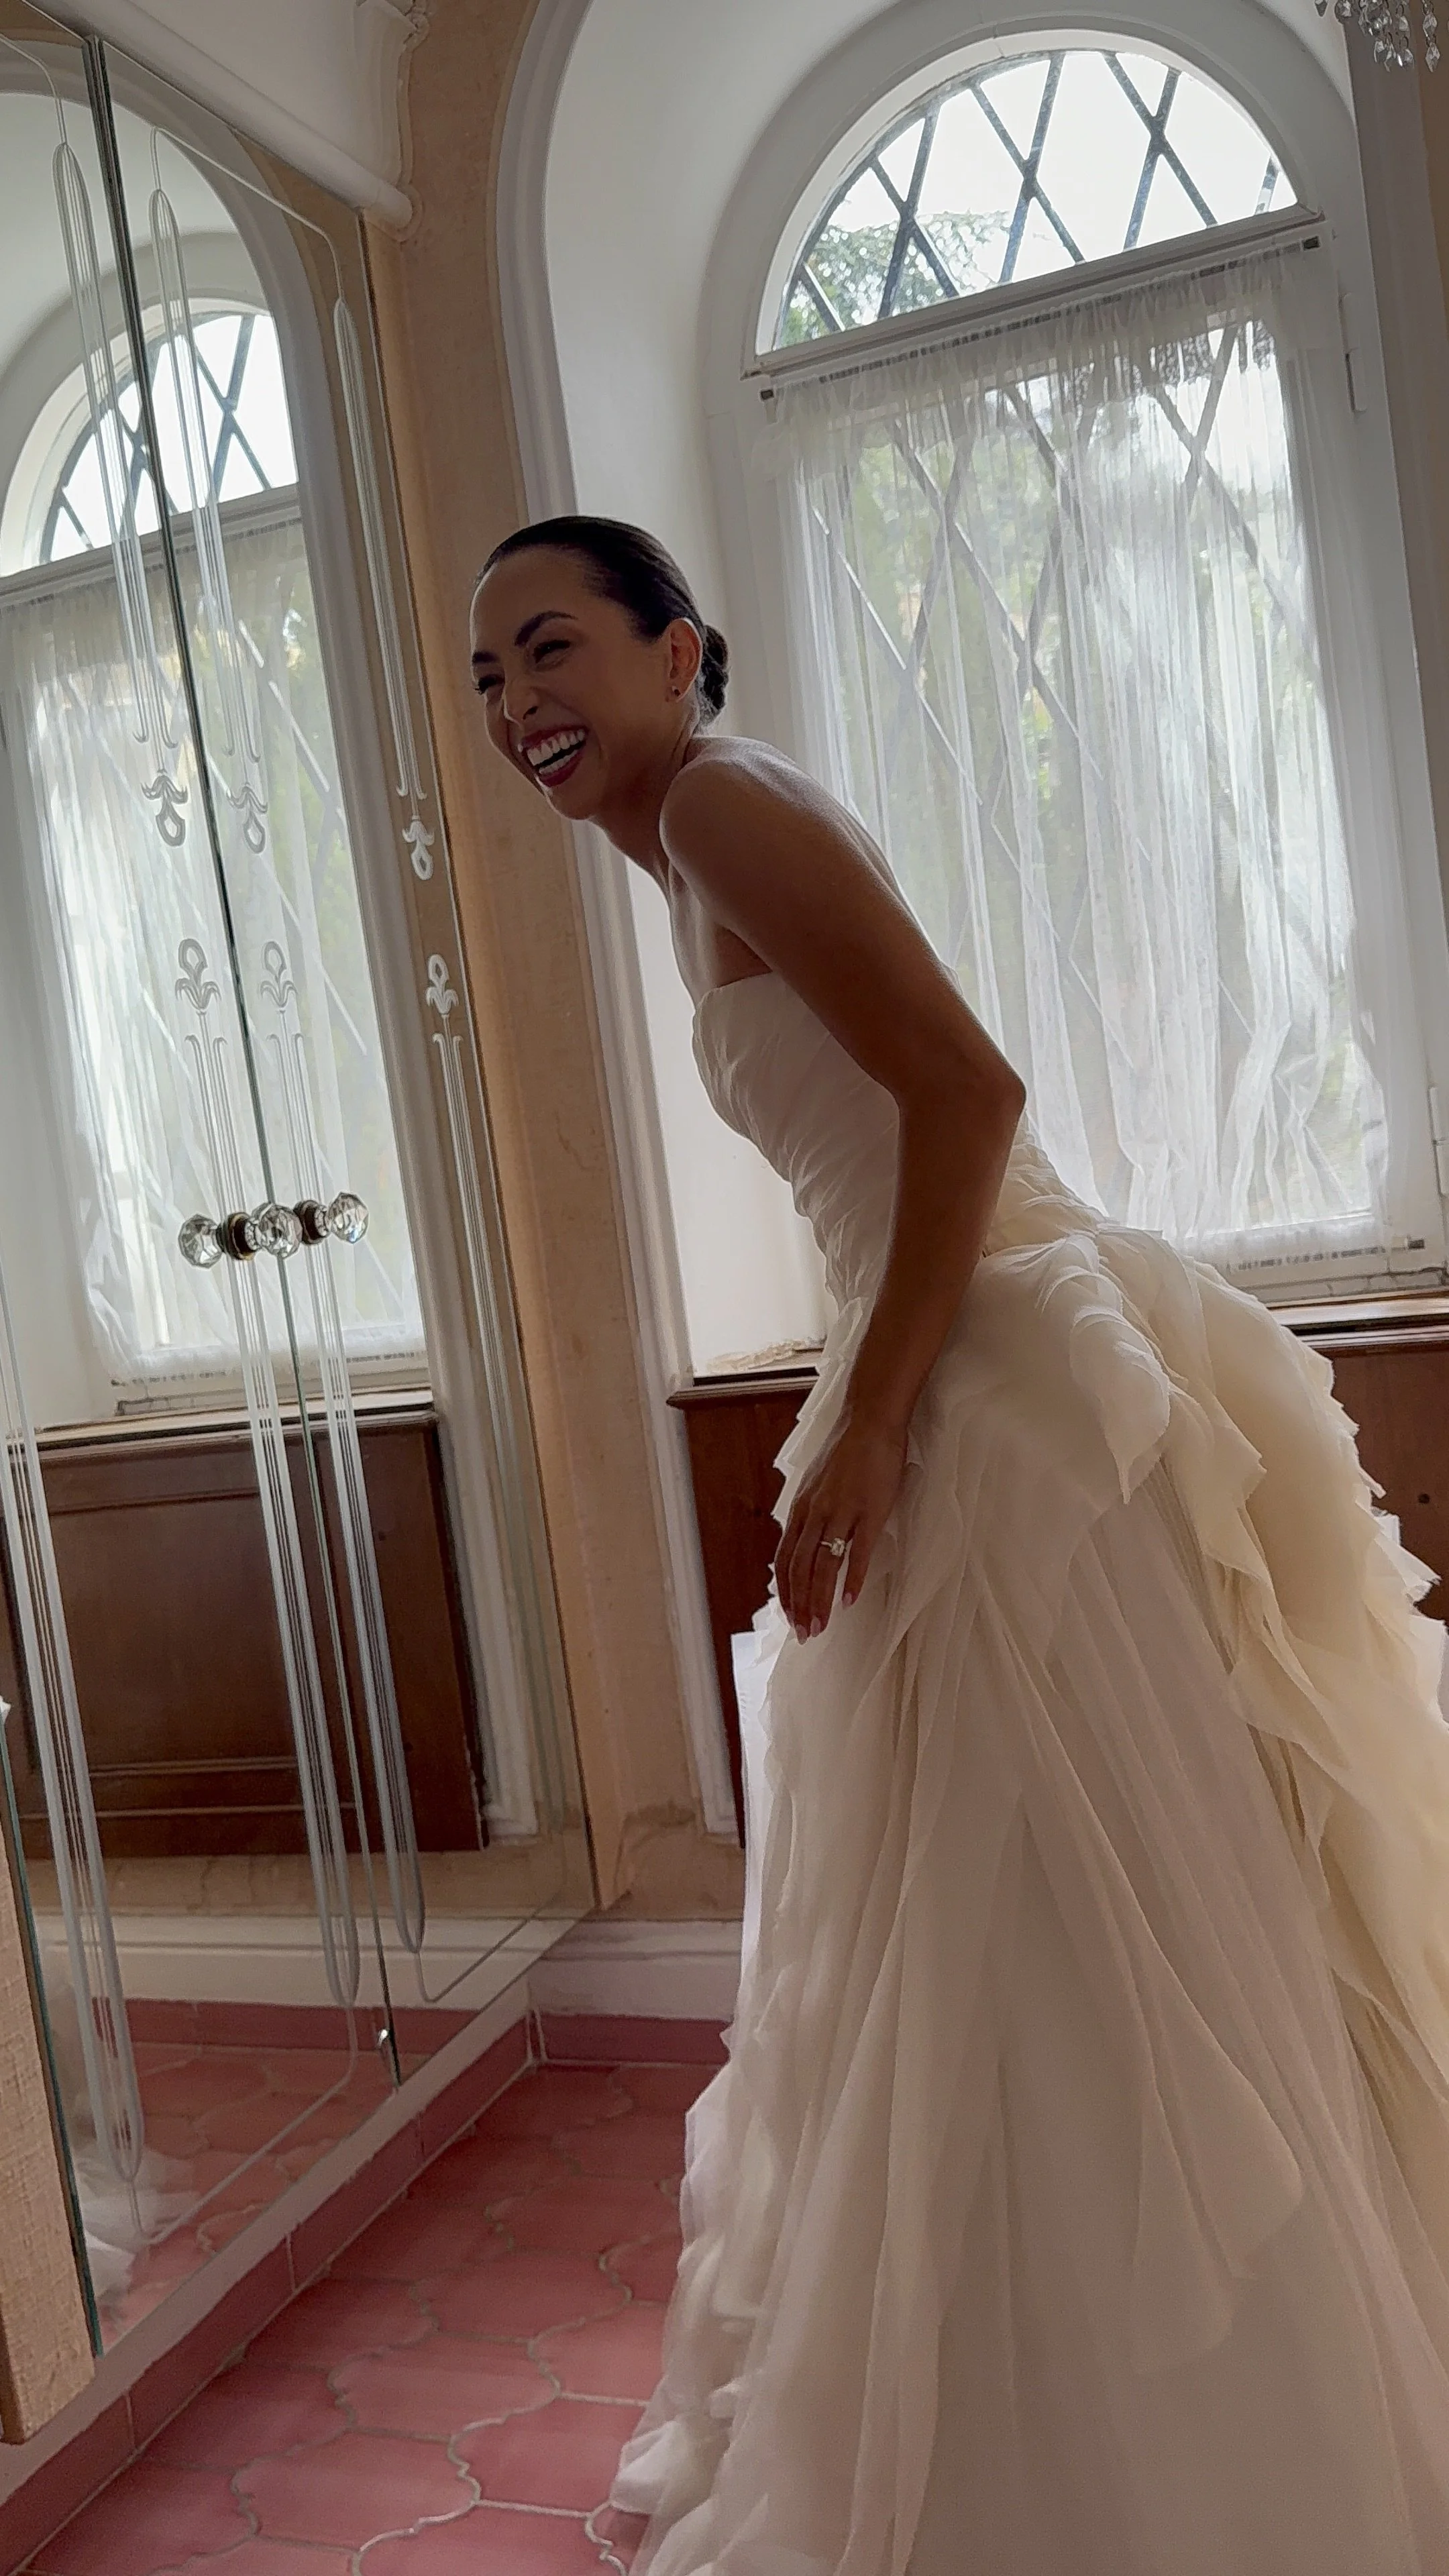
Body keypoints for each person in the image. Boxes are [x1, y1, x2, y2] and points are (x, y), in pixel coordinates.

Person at [470, 515, 1449, 2575]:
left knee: (1068, 1921)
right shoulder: (697, 838)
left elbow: (971, 1096)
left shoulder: (725, 806)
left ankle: (1154, 2455)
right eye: (487, 683)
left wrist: (882, 1423)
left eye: (551, 650)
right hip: (957, 1351)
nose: (517, 706)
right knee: (1028, 1926)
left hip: (991, 1382)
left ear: (680, 649)